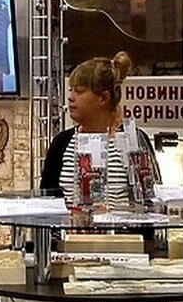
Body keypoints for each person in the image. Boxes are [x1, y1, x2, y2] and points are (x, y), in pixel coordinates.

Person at [40, 51, 161, 208]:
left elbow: (150, 203)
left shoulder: (134, 141)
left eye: (79, 91)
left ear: (103, 98)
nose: (70, 97)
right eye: (71, 90)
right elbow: (46, 203)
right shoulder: (61, 142)